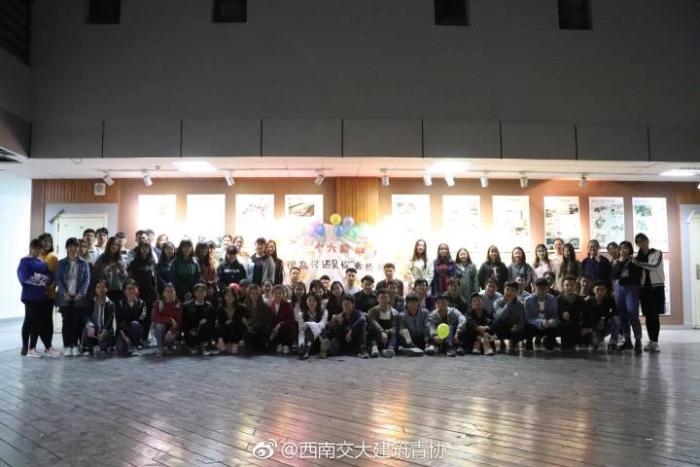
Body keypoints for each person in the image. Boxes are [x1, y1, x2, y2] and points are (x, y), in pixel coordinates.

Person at [17, 238, 56, 357]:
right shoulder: (25, 261)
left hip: (42, 297)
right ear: (31, 248)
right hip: (30, 296)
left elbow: (50, 278)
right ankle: (25, 348)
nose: (37, 251)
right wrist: (42, 279)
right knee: (29, 321)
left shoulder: (43, 263)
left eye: (39, 249)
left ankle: (32, 348)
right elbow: (24, 277)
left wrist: (38, 277)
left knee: (37, 323)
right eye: (35, 248)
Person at [55, 237, 91, 357]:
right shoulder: (61, 263)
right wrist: (64, 293)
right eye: (70, 246)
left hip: (78, 298)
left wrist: (81, 293)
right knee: (66, 323)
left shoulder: (84, 263)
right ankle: (66, 346)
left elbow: (86, 280)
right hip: (65, 297)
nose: (73, 249)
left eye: (75, 246)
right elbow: (58, 280)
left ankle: (75, 346)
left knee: (76, 322)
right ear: (67, 248)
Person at [634, 233, 665, 353]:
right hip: (644, 289)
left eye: (643, 241)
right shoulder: (637, 256)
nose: (641, 244)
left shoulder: (657, 252)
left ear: (647, 241)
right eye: (638, 242)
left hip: (656, 288)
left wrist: (639, 263)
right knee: (647, 316)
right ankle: (651, 341)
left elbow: (654, 265)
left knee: (654, 316)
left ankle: (655, 342)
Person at [612, 241, 642, 353]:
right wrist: (620, 263)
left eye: (625, 248)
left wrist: (623, 279)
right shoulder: (617, 262)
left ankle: (638, 340)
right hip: (619, 290)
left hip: (631, 290)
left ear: (630, 250)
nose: (623, 250)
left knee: (633, 314)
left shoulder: (635, 262)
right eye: (621, 248)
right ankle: (627, 341)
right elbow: (615, 275)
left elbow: (636, 277)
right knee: (622, 315)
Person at [326, 294, 369, 358]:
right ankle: (327, 349)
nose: (345, 307)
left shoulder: (358, 313)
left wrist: (351, 329)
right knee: (336, 327)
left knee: (362, 325)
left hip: (355, 340)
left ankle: (363, 350)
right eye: (344, 305)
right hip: (343, 341)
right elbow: (328, 327)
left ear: (353, 304)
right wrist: (334, 322)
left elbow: (362, 318)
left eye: (348, 304)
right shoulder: (340, 316)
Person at [523, 278, 559, 351]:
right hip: (534, 325)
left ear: (548, 288)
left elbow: (554, 315)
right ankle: (529, 342)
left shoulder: (552, 299)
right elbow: (528, 318)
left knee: (555, 326)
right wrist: (541, 322)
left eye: (544, 288)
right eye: (539, 288)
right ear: (535, 287)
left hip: (547, 324)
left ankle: (548, 342)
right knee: (527, 325)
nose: (542, 290)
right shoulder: (528, 300)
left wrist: (551, 320)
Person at [82, 280, 115, 355]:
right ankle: (88, 347)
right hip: (94, 329)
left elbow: (110, 319)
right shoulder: (91, 302)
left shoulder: (111, 304)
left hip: (105, 330)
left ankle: (103, 346)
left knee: (103, 349)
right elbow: (86, 316)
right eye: (98, 287)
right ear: (95, 289)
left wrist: (104, 330)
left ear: (106, 289)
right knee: (87, 328)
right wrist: (90, 325)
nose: (101, 289)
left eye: (103, 287)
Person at [582, 281, 617, 351]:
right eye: (597, 289)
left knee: (616, 319)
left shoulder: (609, 299)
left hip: (605, 325)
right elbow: (587, 318)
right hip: (592, 328)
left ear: (606, 290)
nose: (600, 292)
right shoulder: (588, 302)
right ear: (593, 290)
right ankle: (596, 338)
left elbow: (615, 311)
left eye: (602, 290)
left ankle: (612, 342)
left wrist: (605, 318)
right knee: (595, 343)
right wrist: (591, 329)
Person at [182, 283, 217, 355]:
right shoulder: (187, 306)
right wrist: (190, 330)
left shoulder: (209, 306)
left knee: (205, 325)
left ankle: (203, 347)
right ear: (194, 293)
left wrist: (206, 321)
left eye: (203, 291)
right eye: (198, 291)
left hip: (204, 331)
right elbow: (184, 321)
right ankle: (192, 346)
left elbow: (213, 321)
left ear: (206, 293)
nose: (200, 293)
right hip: (191, 332)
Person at [491, 282, 526, 353]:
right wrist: (508, 304)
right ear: (504, 290)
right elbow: (500, 316)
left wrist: (518, 327)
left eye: (513, 290)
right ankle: (501, 341)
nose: (509, 292)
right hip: (502, 326)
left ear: (517, 292)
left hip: (514, 327)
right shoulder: (497, 302)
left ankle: (513, 343)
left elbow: (522, 320)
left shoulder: (520, 304)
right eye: (507, 289)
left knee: (524, 327)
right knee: (497, 322)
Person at [115, 280, 147, 356]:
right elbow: (119, 323)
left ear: (136, 290)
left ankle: (136, 345)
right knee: (120, 349)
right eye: (128, 289)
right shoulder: (120, 304)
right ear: (124, 291)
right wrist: (126, 338)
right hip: (124, 332)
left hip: (137, 330)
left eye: (133, 288)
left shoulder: (142, 303)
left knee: (135, 324)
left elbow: (142, 319)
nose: (131, 291)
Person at [127, 242, 158, 321]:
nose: (145, 250)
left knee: (149, 313)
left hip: (150, 291)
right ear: (139, 249)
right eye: (143, 248)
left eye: (147, 248)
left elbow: (155, 277)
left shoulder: (152, 262)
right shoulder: (134, 262)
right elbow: (130, 277)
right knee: (139, 312)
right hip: (138, 291)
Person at [94, 236, 128, 304]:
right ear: (108, 245)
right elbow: (96, 274)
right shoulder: (101, 258)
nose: (114, 246)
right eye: (112, 244)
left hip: (119, 290)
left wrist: (121, 270)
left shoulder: (120, 259)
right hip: (105, 290)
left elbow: (125, 277)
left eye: (116, 245)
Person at [151, 283, 182, 356]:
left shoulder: (178, 304)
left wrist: (171, 330)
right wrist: (170, 319)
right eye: (167, 291)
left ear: (175, 293)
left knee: (170, 336)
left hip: (173, 329)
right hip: (160, 330)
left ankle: (169, 346)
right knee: (159, 326)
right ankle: (160, 348)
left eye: (171, 291)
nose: (169, 293)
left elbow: (178, 322)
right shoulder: (159, 303)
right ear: (164, 293)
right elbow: (154, 318)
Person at [215, 285, 248, 354]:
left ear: (235, 297)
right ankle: (222, 342)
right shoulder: (220, 308)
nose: (230, 297)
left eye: (232, 295)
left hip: (237, 332)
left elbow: (244, 322)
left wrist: (233, 321)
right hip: (225, 332)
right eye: (227, 295)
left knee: (235, 325)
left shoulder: (241, 308)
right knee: (219, 326)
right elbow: (220, 322)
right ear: (224, 297)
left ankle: (233, 344)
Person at [367, 289, 399, 358]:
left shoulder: (394, 312)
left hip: (388, 336)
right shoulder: (372, 311)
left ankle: (390, 349)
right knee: (371, 329)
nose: (383, 300)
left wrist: (386, 332)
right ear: (377, 299)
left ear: (389, 299)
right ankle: (374, 347)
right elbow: (373, 323)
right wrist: (381, 332)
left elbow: (394, 326)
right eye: (381, 298)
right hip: (377, 335)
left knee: (395, 332)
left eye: (385, 297)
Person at [296, 293, 329, 359]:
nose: (312, 302)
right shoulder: (301, 314)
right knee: (308, 331)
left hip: (319, 338)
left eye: (314, 300)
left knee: (321, 329)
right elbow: (301, 331)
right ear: (306, 302)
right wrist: (301, 344)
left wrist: (308, 324)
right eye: (309, 300)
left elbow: (322, 325)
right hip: (307, 339)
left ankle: (321, 349)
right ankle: (305, 349)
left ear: (317, 302)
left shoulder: (324, 312)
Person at [557, 276, 585, 351]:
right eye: (567, 285)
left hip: (576, 325)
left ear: (575, 286)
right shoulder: (558, 299)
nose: (569, 287)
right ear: (563, 286)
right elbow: (554, 312)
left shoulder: (580, 299)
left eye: (572, 285)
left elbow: (585, 313)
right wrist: (561, 313)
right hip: (562, 326)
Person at [243, 284, 274, 352]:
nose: (254, 295)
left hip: (260, 331)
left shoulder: (264, 306)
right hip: (249, 331)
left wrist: (255, 326)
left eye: (256, 293)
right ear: (249, 294)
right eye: (252, 293)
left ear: (259, 295)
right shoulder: (245, 306)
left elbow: (268, 320)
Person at [268, 285, 295, 354]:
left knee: (284, 327)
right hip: (274, 331)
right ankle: (279, 343)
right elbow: (269, 320)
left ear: (283, 294)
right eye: (276, 293)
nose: (278, 295)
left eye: (280, 293)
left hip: (285, 329)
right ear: (272, 294)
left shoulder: (287, 305)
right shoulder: (270, 305)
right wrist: (273, 329)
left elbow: (290, 319)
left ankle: (286, 345)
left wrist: (279, 324)